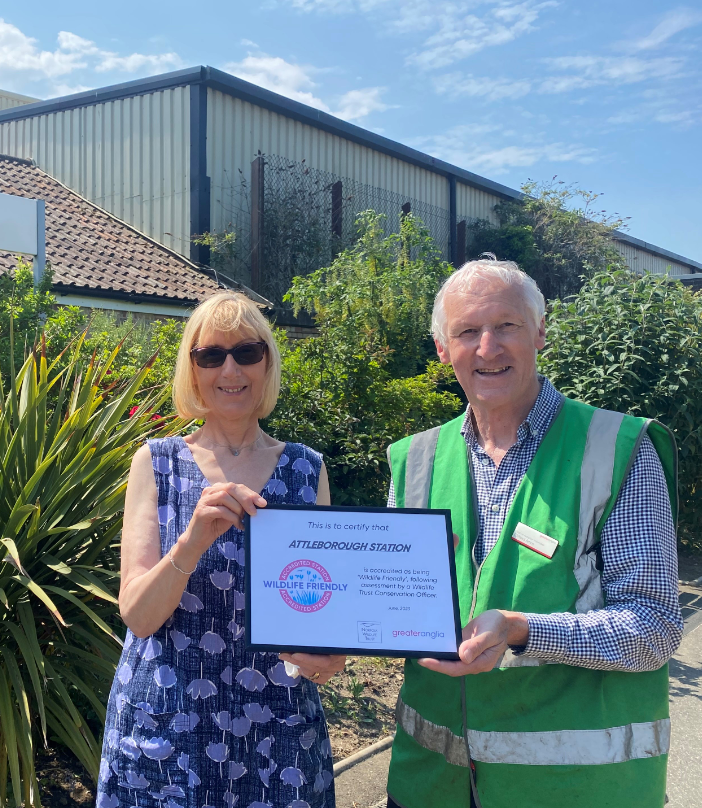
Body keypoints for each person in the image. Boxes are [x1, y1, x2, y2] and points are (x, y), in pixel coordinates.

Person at [383, 257, 683, 808]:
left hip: (574, 791)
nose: (488, 347)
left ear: (540, 332)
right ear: (442, 348)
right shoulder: (415, 460)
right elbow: (391, 606)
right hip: (430, 784)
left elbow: (655, 626)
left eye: (507, 326)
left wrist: (522, 630)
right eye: (467, 331)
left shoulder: (615, 449)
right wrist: (326, 643)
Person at [97, 292, 346, 808]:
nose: (230, 369)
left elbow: (321, 617)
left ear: (267, 363)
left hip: (279, 729)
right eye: (211, 355)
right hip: (169, 730)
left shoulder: (306, 469)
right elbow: (138, 616)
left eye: (246, 352)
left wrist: (329, 656)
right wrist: (191, 541)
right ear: (193, 371)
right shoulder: (156, 463)